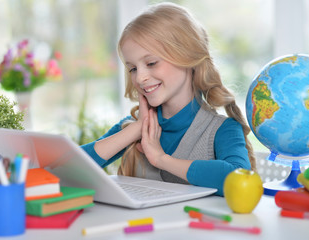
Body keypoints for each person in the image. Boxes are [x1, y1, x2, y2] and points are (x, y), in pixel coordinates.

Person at [81, 2, 255, 196]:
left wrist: (161, 159)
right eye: (133, 68)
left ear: (187, 57)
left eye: (151, 63)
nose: (140, 78)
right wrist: (138, 129)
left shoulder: (223, 130)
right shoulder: (131, 127)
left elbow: (239, 179)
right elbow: (65, 169)